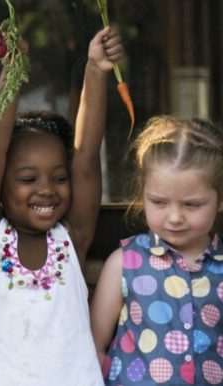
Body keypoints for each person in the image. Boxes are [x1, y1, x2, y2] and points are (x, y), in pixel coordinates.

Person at [0, 27, 123, 385]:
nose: (46, 190)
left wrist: (96, 71)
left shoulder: (72, 238)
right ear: (0, 189)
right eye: (27, 179)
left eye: (58, 177)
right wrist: (13, 68)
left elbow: (84, 158)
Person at [91, 117, 223, 385]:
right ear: (142, 194)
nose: (175, 217)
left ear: (220, 200)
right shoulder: (125, 263)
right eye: (159, 202)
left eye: (192, 205)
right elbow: (93, 345)